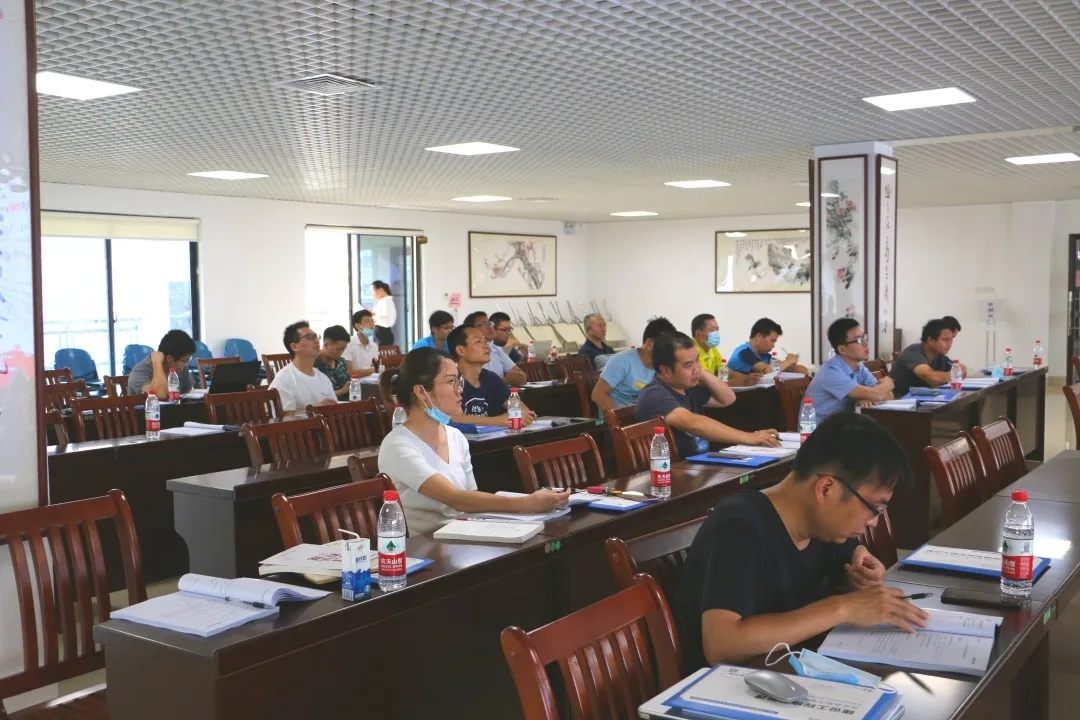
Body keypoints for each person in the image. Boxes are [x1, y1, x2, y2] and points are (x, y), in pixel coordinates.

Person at [674, 412, 927, 669]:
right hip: (732, 685)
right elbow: (722, 645)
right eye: (873, 508)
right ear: (826, 488)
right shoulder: (739, 526)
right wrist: (843, 608)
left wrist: (859, 566)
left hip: (796, 668)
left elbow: (848, 561)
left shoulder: (822, 525)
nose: (874, 522)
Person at [377, 348, 567, 534]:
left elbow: (472, 499)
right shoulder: (397, 445)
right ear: (420, 391)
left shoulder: (455, 436)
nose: (460, 389)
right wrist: (527, 503)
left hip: (465, 534)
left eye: (459, 381)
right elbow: (456, 499)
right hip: (430, 545)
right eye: (451, 381)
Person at [636, 333, 781, 457]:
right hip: (675, 470)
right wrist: (749, 437)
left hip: (699, 464)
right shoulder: (654, 394)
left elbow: (728, 398)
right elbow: (693, 423)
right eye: (688, 365)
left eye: (697, 360)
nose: (696, 369)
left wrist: (699, 371)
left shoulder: (687, 387)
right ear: (666, 371)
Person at [446, 324, 537, 427]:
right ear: (461, 350)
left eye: (485, 341)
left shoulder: (490, 378)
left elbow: (521, 409)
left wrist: (521, 415)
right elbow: (452, 418)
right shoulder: (450, 381)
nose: (486, 346)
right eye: (478, 341)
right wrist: (500, 420)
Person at [805, 318, 895, 419]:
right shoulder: (831, 371)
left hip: (843, 423)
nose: (866, 343)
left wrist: (866, 397)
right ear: (842, 349)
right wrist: (888, 383)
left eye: (864, 337)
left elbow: (888, 396)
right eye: (859, 340)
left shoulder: (859, 367)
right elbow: (877, 395)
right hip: (821, 427)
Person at [591, 317, 677, 411]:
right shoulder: (622, 360)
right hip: (618, 416)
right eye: (666, 347)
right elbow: (598, 395)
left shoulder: (660, 366)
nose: (669, 352)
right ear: (650, 344)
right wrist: (618, 418)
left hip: (641, 415)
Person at [269, 321, 337, 415]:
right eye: (309, 337)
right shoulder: (284, 379)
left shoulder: (323, 378)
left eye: (316, 337)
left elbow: (334, 407)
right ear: (294, 346)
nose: (316, 341)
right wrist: (314, 409)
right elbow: (283, 417)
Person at [889, 319, 965, 397]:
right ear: (931, 340)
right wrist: (956, 374)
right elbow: (933, 378)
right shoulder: (913, 353)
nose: (949, 344)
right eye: (945, 340)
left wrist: (960, 370)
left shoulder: (940, 357)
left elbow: (961, 370)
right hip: (900, 400)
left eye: (951, 339)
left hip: (922, 399)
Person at [727, 318, 807, 383]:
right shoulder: (744, 352)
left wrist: (794, 366)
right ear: (759, 336)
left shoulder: (764, 355)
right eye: (772, 340)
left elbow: (781, 367)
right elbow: (769, 371)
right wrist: (789, 361)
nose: (773, 345)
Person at [464, 311, 528, 387]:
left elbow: (522, 375)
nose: (490, 327)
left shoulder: (496, 349)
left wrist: (505, 380)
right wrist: (505, 380)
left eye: (490, 323)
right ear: (471, 330)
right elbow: (478, 383)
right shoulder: (468, 352)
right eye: (484, 324)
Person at [127, 329, 196, 398]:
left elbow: (188, 391)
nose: (186, 364)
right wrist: (157, 363)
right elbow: (160, 396)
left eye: (188, 360)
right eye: (185, 360)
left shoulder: (181, 367)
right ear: (169, 358)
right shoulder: (141, 371)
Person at [314, 325, 352, 398]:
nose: (341, 353)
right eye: (338, 349)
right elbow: (315, 396)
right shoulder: (314, 365)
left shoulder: (341, 362)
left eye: (343, 349)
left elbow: (348, 384)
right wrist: (341, 391)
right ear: (326, 345)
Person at [343, 310, 378, 378]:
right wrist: (373, 370)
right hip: (354, 382)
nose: (372, 324)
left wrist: (373, 370)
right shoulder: (348, 343)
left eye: (372, 321)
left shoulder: (374, 346)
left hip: (371, 381)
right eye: (367, 321)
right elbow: (349, 372)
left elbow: (376, 368)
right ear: (357, 326)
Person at [370, 280, 397, 346]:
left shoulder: (387, 302)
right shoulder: (382, 302)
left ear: (380, 290)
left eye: (373, 291)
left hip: (383, 335)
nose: (372, 294)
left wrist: (374, 314)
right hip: (380, 334)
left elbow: (388, 321)